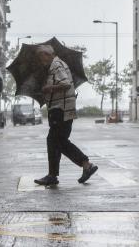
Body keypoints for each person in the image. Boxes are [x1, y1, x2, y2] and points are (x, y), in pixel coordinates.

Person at [34, 45, 98, 186]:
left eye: (41, 56)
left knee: (57, 141)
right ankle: (53, 175)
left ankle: (86, 164)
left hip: (60, 110)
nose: (40, 60)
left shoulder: (56, 65)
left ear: (48, 54)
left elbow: (66, 84)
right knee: (55, 141)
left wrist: (49, 88)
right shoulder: (55, 66)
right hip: (61, 109)